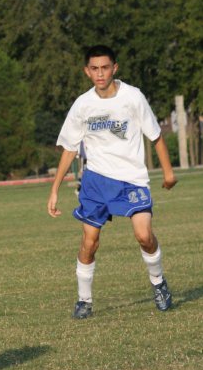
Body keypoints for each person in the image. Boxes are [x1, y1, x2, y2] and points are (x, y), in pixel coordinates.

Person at [47, 44, 177, 319]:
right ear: (87, 71)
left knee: (144, 236)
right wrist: (55, 189)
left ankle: (159, 283)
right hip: (95, 182)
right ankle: (84, 300)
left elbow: (155, 136)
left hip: (131, 179)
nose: (100, 73)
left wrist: (168, 173)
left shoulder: (133, 97)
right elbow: (70, 148)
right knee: (89, 243)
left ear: (114, 68)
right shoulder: (83, 105)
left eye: (105, 67)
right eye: (94, 68)